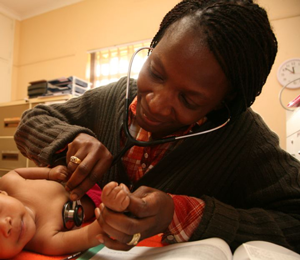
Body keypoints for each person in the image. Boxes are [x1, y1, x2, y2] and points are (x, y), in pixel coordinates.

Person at [14, 0, 300, 254]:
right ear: (153, 47)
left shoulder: (246, 141)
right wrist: (72, 138)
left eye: (188, 99)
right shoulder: (114, 96)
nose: (156, 104)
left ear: (223, 104)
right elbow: (30, 123)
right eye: (156, 71)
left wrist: (184, 213)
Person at [0, 165, 102, 259]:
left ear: (2, 193)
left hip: (78, 171)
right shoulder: (44, 241)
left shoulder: (9, 183)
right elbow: (87, 236)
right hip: (100, 199)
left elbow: (16, 172)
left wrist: (48, 173)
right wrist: (104, 222)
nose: (5, 226)